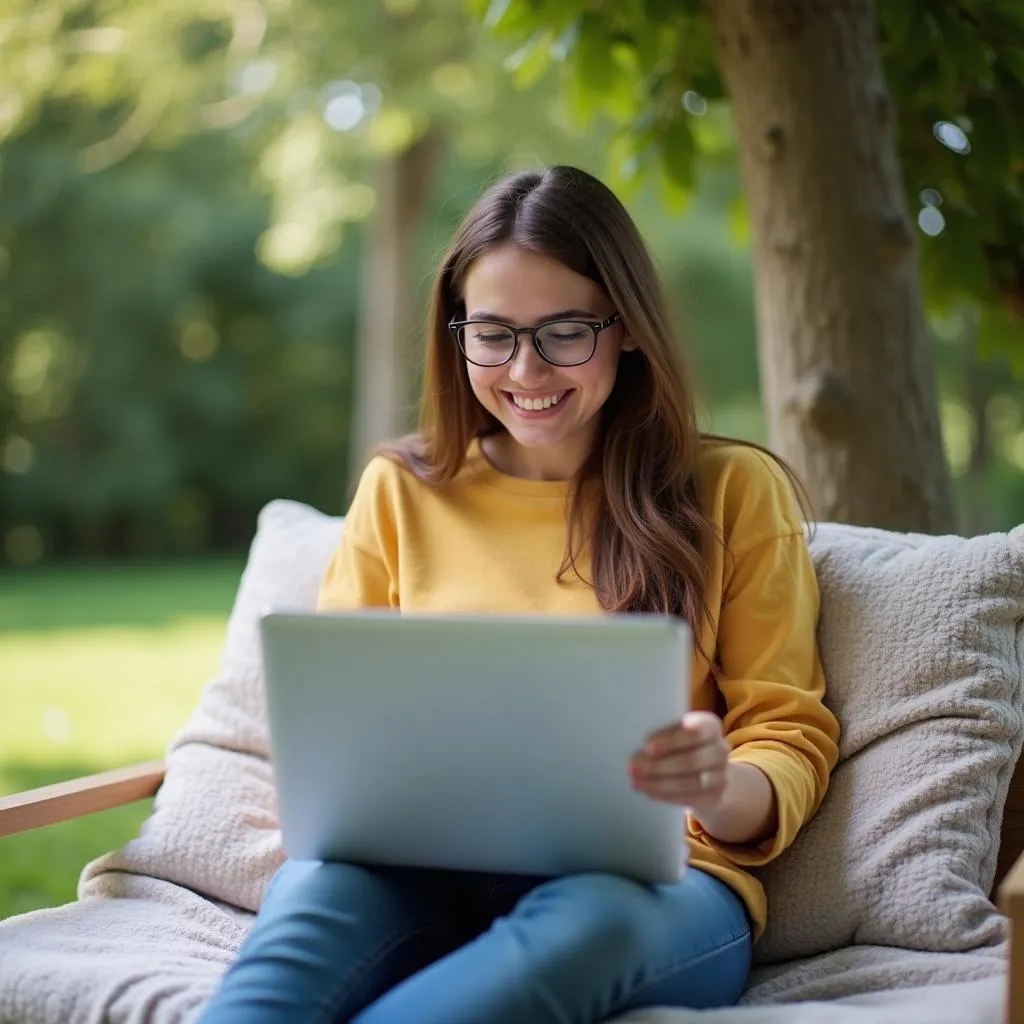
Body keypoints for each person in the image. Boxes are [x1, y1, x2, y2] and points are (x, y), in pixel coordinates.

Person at [198, 164, 840, 1024]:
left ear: (630, 331)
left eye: (565, 332)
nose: (526, 370)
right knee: (290, 945)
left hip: (657, 887)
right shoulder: (401, 488)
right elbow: (337, 731)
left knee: (553, 953)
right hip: (413, 868)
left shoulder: (732, 490)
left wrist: (718, 785)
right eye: (493, 334)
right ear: (455, 333)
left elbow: (788, 731)